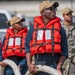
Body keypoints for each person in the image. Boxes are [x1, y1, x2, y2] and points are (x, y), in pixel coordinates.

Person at [25, 1, 68, 75]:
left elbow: (65, 51)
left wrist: (58, 67)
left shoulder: (60, 29)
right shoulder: (33, 29)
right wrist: (29, 64)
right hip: (38, 66)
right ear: (42, 12)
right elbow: (28, 48)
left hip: (54, 65)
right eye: (50, 9)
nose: (53, 11)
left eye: (54, 9)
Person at [62, 7, 75, 75]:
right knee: (64, 73)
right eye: (68, 14)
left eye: (71, 14)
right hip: (64, 56)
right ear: (63, 16)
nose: (70, 15)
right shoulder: (60, 27)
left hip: (74, 53)